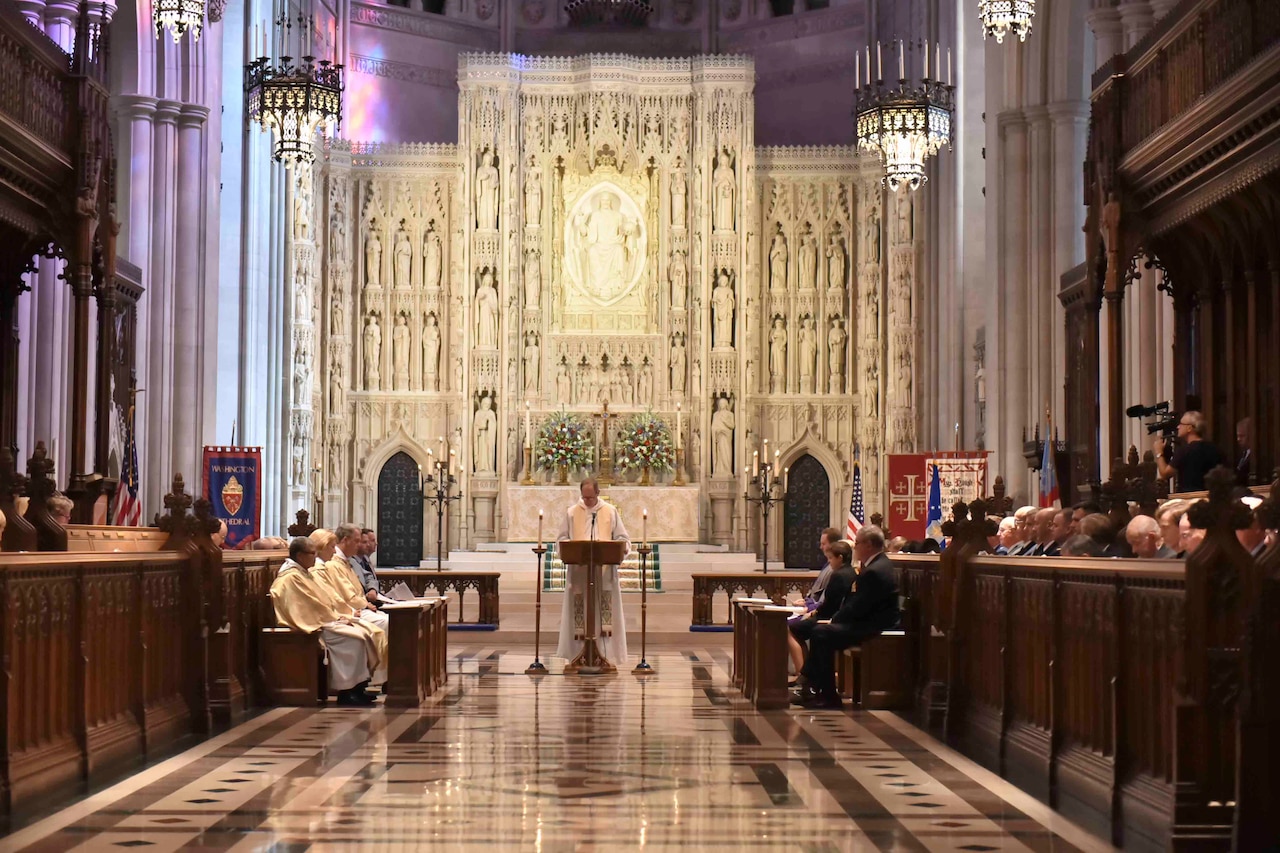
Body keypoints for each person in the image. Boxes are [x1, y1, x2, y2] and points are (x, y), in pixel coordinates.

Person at [792, 527, 899, 709]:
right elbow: (856, 604)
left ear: (869, 545)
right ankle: (810, 685)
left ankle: (824, 694)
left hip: (873, 626)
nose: (855, 548)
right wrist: (836, 618)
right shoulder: (877, 565)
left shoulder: (875, 570)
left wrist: (835, 620)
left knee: (821, 633)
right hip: (869, 621)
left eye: (857, 543)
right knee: (821, 631)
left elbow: (859, 606)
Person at [269, 537, 380, 706]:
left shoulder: (303, 572)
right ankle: (346, 691)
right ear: (300, 556)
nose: (315, 557)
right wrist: (336, 618)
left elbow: (323, 599)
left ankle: (358, 687)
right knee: (354, 639)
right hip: (312, 626)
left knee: (363, 632)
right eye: (312, 553)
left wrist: (341, 616)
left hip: (323, 620)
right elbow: (305, 608)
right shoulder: (291, 578)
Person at [556, 478, 632, 667]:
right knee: (578, 611)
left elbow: (623, 537)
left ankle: (606, 654)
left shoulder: (610, 511)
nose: (587, 501)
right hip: (579, 572)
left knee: (604, 611)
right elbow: (561, 538)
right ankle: (576, 654)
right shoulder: (572, 513)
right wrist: (567, 548)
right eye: (584, 497)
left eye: (591, 497)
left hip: (604, 573)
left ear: (598, 493)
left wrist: (622, 548)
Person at [788, 539, 857, 691]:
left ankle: (804, 676)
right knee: (802, 628)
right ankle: (806, 675)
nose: (829, 562)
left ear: (840, 558)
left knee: (792, 629)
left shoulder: (839, 575)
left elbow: (830, 605)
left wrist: (814, 612)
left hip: (829, 618)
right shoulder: (850, 572)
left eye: (831, 558)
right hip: (833, 616)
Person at [786, 529, 843, 678]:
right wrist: (807, 601)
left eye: (823, 543)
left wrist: (809, 608)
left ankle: (803, 675)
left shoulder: (836, 572)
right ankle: (805, 673)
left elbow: (826, 602)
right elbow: (819, 594)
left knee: (789, 628)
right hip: (817, 610)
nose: (820, 547)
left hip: (825, 616)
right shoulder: (829, 567)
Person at [1154, 410, 1223, 492]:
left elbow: (1165, 474)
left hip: (1187, 498)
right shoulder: (1214, 449)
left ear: (1189, 428)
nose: (1178, 427)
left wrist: (1159, 452)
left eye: (1181, 424)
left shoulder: (1184, 451)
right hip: (1208, 498)